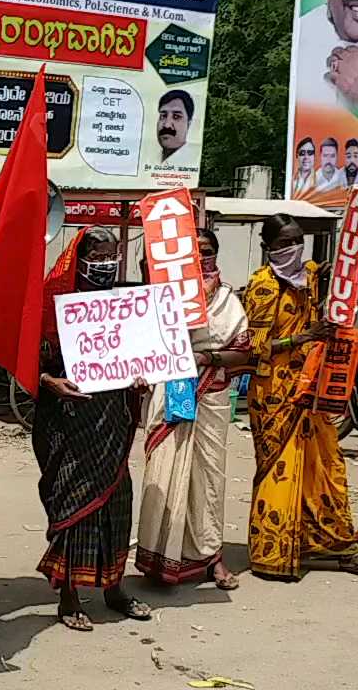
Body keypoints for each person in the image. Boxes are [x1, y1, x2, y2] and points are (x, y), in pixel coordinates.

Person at [242, 214, 358, 583]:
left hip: (314, 388)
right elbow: (253, 348)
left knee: (325, 468)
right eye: (282, 244)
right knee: (280, 470)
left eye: (296, 241)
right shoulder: (261, 286)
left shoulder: (310, 276)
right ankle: (273, 551)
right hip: (275, 395)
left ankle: (336, 544)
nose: (291, 249)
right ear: (267, 248)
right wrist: (302, 337)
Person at [34, 227, 153, 632]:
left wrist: (140, 376)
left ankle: (113, 589)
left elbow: (139, 355)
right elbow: (27, 362)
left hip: (111, 421)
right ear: (78, 256)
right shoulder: (50, 303)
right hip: (68, 425)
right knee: (74, 506)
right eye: (97, 255)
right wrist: (51, 382)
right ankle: (69, 597)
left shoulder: (121, 304)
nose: (105, 263)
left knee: (117, 502)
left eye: (111, 256)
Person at [137, 230, 251, 590]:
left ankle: (211, 556)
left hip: (210, 395)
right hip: (168, 390)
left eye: (208, 251)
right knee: (164, 472)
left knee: (208, 479)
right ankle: (158, 558)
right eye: (194, 251)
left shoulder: (228, 301)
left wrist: (206, 357)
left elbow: (244, 353)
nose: (201, 257)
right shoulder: (162, 295)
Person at [156, 90, 193, 161]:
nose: (167, 125)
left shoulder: (191, 161)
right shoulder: (150, 160)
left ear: (188, 125)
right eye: (163, 116)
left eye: (176, 116)